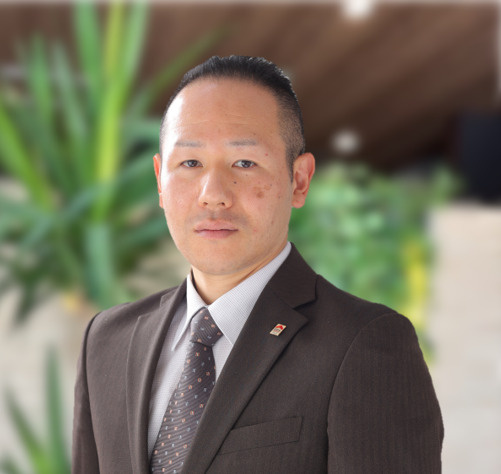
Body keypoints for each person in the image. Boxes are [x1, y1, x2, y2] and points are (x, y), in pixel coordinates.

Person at [72, 55, 443, 474]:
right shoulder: (107, 340)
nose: (213, 194)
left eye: (244, 163)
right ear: (160, 179)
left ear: (299, 180)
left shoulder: (363, 345)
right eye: (190, 163)